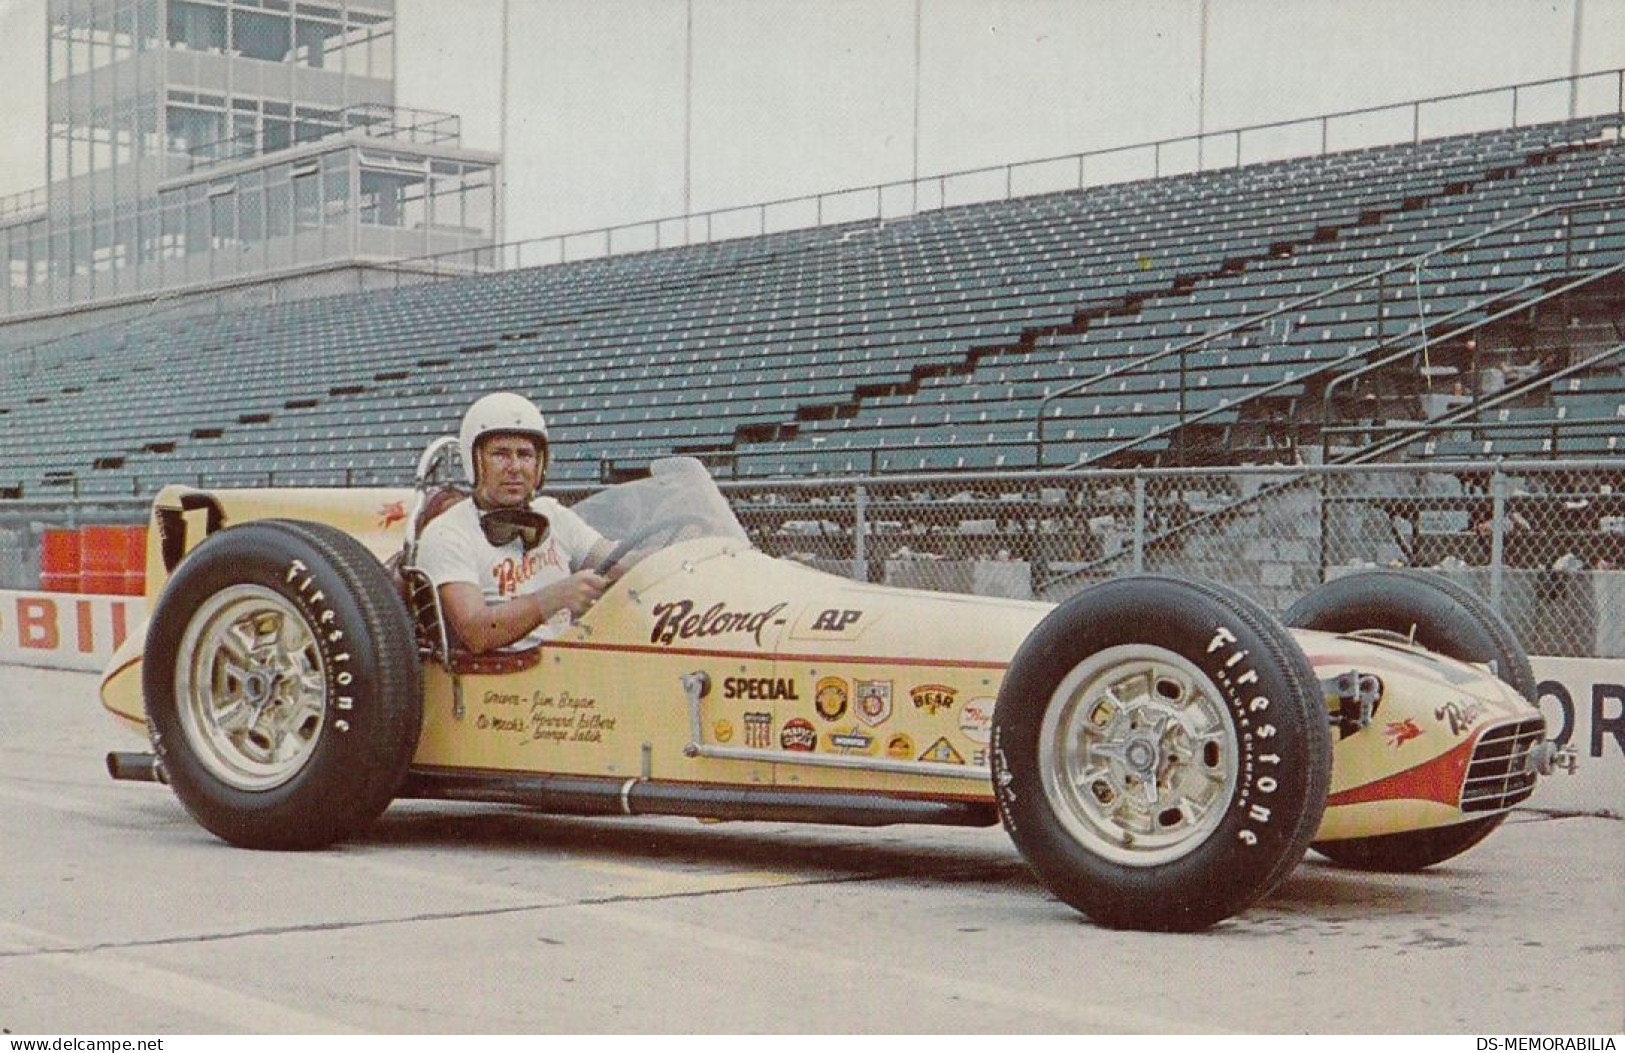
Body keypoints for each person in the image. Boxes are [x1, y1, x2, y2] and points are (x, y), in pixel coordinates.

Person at [415, 392, 619, 653]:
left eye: (525, 455)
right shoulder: (448, 533)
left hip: (568, 670)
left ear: (539, 464)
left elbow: (616, 562)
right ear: (475, 461)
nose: (515, 467)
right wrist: (554, 597)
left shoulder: (553, 515)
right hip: (500, 684)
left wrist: (675, 550)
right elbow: (475, 633)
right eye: (500, 454)